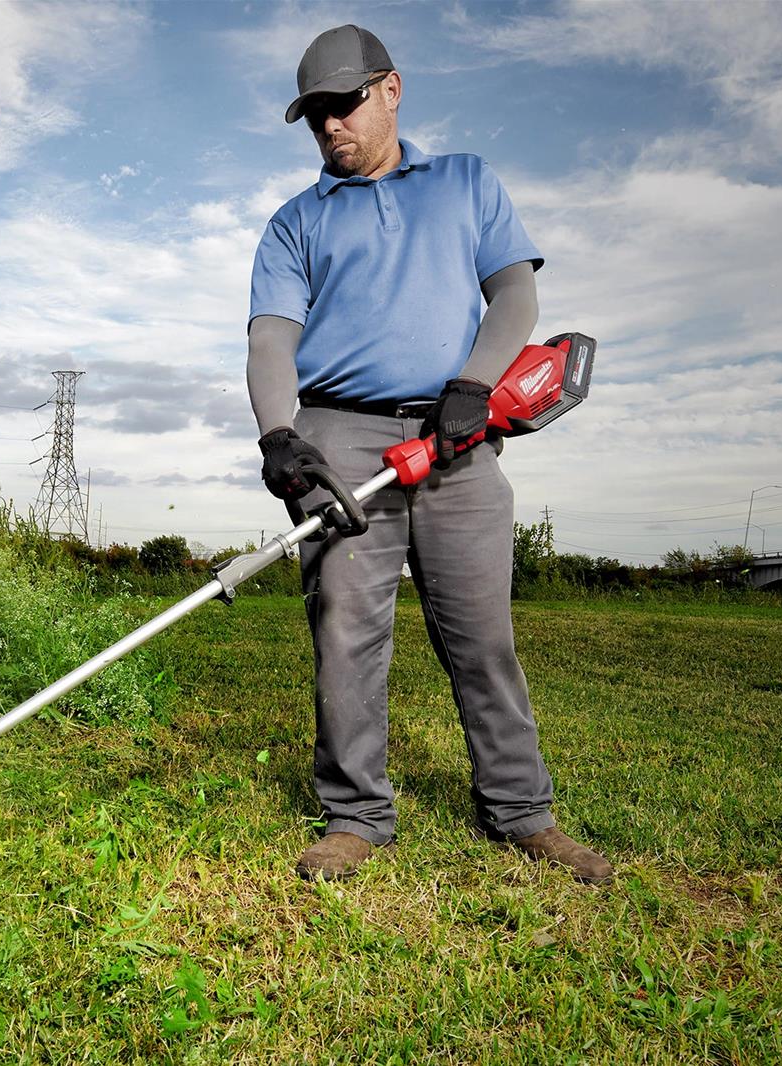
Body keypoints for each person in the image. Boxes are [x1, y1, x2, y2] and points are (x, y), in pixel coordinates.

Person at [246, 25, 611, 884]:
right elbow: (270, 339)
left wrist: (476, 384)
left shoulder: (465, 182)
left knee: (483, 635)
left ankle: (522, 812)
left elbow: (515, 291)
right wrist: (278, 434)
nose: (330, 126)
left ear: (391, 89)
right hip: (339, 435)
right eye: (315, 116)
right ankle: (355, 815)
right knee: (345, 630)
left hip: (461, 432)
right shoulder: (295, 222)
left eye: (345, 104)